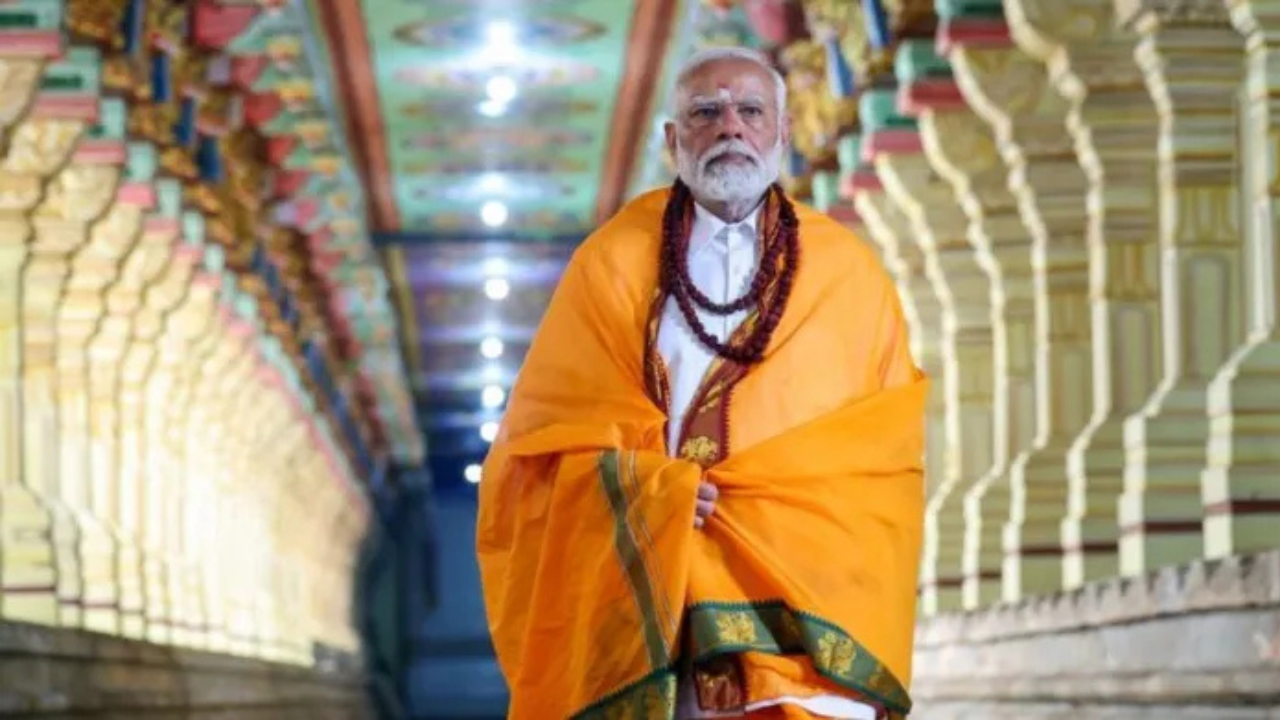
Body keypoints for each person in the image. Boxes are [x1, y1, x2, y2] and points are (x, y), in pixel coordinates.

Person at [476, 46, 927, 720]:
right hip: (668, 596)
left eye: (751, 111)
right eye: (705, 112)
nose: (730, 128)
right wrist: (649, 493)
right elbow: (540, 447)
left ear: (783, 131)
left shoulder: (848, 273)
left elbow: (883, 458)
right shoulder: (611, 264)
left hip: (809, 602)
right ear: (672, 140)